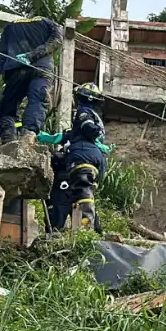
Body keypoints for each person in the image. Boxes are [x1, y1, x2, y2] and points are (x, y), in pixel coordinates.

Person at [39, 83, 113, 233]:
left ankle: (86, 228)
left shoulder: (84, 112)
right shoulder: (81, 129)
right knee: (82, 194)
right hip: (94, 160)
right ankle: (95, 228)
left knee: (82, 189)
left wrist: (93, 131)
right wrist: (42, 136)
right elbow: (62, 136)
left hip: (82, 157)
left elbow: (88, 128)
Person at [0, 16, 62, 144]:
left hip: (15, 68)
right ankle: (29, 133)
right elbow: (56, 41)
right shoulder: (47, 22)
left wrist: (6, 73)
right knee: (38, 99)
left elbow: (2, 53)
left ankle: (8, 137)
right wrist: (33, 55)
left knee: (8, 106)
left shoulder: (11, 25)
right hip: (41, 67)